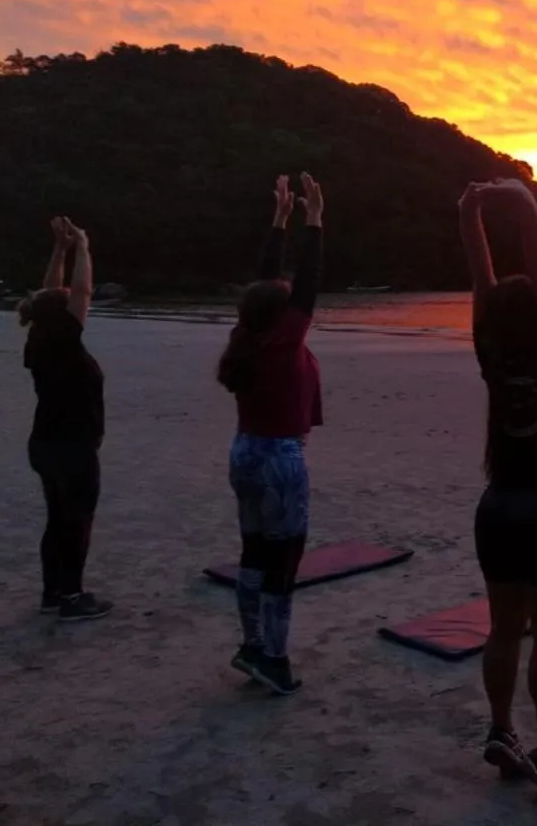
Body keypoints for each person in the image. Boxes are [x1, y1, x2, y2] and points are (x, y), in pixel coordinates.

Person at [458, 178, 537, 802]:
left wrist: (471, 215)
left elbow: (484, 281)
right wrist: (523, 200)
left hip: (498, 509)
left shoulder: (491, 352)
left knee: (504, 630)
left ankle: (504, 731)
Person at [216, 173, 324, 696]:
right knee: (285, 561)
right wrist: (314, 221)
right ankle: (274, 658)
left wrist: (278, 220)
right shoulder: (281, 340)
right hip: (280, 459)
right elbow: (305, 285)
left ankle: (253, 645)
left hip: (245, 452)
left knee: (255, 552)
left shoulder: (248, 333)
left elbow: (267, 285)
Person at [18, 216, 113, 622]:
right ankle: (72, 597)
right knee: (76, 521)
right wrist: (84, 247)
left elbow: (51, 293)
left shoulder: (39, 336)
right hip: (72, 446)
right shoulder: (62, 339)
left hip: (46, 443)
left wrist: (60, 249)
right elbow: (82, 290)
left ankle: (52, 593)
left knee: (58, 519)